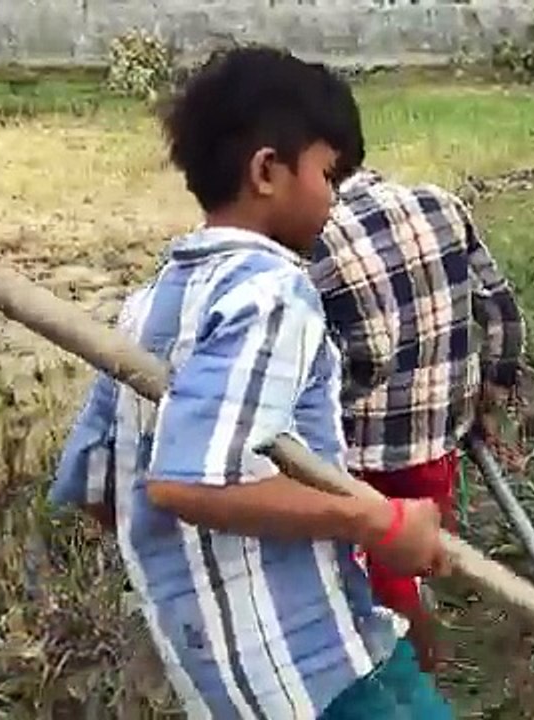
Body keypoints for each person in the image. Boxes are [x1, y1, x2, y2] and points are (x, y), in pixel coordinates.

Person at [48, 45, 454, 719]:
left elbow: (99, 486)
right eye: (330, 175)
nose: (334, 199)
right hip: (318, 669)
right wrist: (374, 519)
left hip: (229, 682)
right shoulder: (272, 291)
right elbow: (189, 483)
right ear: (269, 170)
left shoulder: (149, 305)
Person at [310, 166, 525, 673]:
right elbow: (501, 311)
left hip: (355, 451)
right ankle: (421, 623)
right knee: (424, 545)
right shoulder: (440, 203)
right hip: (437, 437)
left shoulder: (311, 237)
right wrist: (489, 394)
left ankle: (419, 668)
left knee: (380, 576)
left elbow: (357, 359)